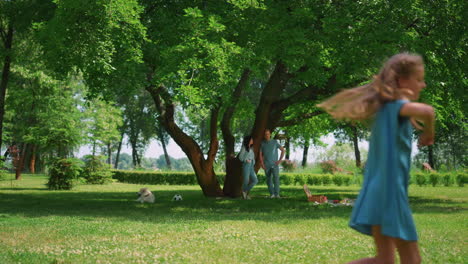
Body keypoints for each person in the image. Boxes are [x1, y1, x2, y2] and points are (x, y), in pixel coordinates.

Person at [318, 53, 435, 264]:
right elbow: (428, 111)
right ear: (401, 81)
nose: (423, 84)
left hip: (377, 194)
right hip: (390, 196)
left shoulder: (386, 112)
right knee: (412, 259)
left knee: (384, 260)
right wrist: (428, 133)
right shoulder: (395, 108)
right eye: (418, 79)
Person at [260, 129, 285, 198]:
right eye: (265, 134)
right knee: (268, 180)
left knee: (276, 179)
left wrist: (280, 160)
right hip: (266, 164)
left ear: (270, 134)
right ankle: (272, 194)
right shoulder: (262, 143)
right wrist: (262, 163)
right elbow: (260, 154)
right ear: (264, 135)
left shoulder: (275, 142)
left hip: (275, 164)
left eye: (268, 134)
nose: (267, 135)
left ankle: (277, 194)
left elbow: (283, 150)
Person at [238, 135, 258, 199]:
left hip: (251, 165)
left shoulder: (251, 148)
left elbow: (253, 157)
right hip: (246, 165)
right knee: (246, 180)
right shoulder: (244, 148)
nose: (252, 140)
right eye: (251, 139)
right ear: (248, 140)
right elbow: (240, 157)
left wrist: (253, 162)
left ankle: (244, 191)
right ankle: (245, 194)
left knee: (255, 180)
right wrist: (246, 160)